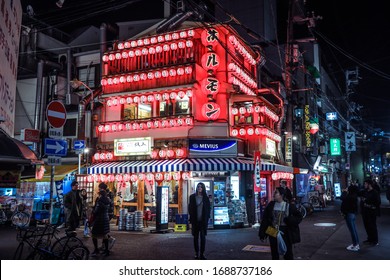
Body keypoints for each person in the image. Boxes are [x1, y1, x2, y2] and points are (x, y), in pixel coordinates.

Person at [258, 187, 302, 260]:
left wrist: (290, 220)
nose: (273, 194)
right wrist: (262, 234)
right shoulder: (271, 205)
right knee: (274, 253)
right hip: (272, 230)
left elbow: (299, 217)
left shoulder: (289, 206)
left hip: (285, 231)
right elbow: (265, 220)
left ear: (281, 195)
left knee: (288, 253)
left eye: (276, 192)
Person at [188, 182, 211, 260]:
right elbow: (190, 208)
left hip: (203, 221)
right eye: (198, 186)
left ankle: (202, 253)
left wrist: (207, 217)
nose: (199, 188)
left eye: (201, 187)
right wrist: (191, 217)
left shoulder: (205, 198)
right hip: (195, 220)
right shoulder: (192, 197)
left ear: (203, 188)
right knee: (195, 237)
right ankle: (196, 253)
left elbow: (208, 208)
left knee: (203, 237)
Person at [358, 179, 381, 246]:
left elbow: (378, 202)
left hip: (371, 212)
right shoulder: (365, 191)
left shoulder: (374, 192)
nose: (364, 185)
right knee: (367, 226)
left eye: (365, 184)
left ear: (369, 184)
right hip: (365, 212)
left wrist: (368, 202)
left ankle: (375, 240)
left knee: (372, 226)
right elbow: (358, 193)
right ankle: (370, 239)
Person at [91, 188, 111, 257]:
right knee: (105, 235)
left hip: (99, 219)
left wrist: (92, 211)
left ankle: (96, 249)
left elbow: (96, 211)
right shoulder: (108, 200)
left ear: (100, 195)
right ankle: (106, 250)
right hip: (106, 218)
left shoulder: (100, 201)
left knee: (94, 234)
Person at [340, 184, 360, 251]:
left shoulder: (350, 196)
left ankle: (355, 245)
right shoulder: (354, 196)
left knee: (352, 230)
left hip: (349, 214)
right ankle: (356, 244)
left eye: (348, 189)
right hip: (352, 214)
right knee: (354, 229)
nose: (347, 189)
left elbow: (342, 198)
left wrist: (344, 192)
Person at [97, 183, 116, 251]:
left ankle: (109, 241)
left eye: (99, 188)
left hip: (106, 213)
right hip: (108, 213)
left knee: (104, 230)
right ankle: (104, 245)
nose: (98, 189)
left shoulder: (106, 194)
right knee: (104, 230)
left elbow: (106, 204)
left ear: (102, 188)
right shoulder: (109, 193)